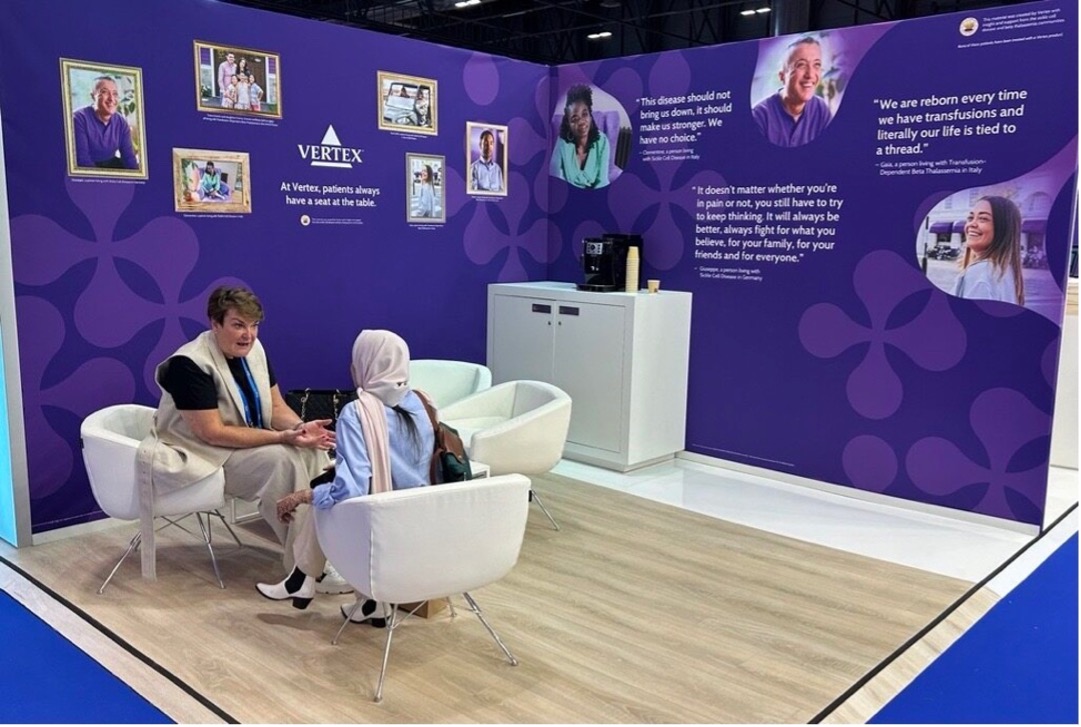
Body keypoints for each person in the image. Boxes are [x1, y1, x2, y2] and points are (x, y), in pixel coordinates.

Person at [137, 286, 335, 573]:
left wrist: (301, 429)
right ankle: (306, 568)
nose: (249, 335)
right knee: (282, 460)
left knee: (313, 454)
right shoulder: (189, 364)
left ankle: (330, 552)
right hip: (200, 454)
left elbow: (276, 408)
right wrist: (282, 437)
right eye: (238, 325)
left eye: (254, 326)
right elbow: (212, 433)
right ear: (215, 324)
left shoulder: (256, 351)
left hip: (240, 446)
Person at [256, 330, 435, 622]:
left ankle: (303, 578)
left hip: (381, 521)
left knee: (321, 499)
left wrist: (300, 496)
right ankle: (360, 601)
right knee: (324, 486)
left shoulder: (358, 412)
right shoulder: (421, 402)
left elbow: (351, 489)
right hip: (422, 514)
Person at [752, 36, 832, 148]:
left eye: (816, 65)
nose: (810, 74)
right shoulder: (760, 116)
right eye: (801, 65)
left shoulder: (821, 109)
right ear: (782, 76)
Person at [951, 195, 1025, 305]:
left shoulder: (980, 272)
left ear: (1002, 228)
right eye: (971, 218)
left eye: (983, 219)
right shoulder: (1007, 271)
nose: (972, 224)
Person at [549, 85, 610, 189]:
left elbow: (602, 180)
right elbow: (555, 177)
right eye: (574, 118)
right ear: (568, 123)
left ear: (590, 116)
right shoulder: (562, 142)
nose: (581, 122)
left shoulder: (603, 141)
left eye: (585, 114)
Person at [72, 76, 138, 170]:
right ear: (93, 96)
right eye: (104, 92)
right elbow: (82, 160)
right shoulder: (78, 118)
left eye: (115, 94)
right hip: (86, 170)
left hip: (111, 164)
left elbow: (128, 158)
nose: (111, 98)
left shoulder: (121, 122)